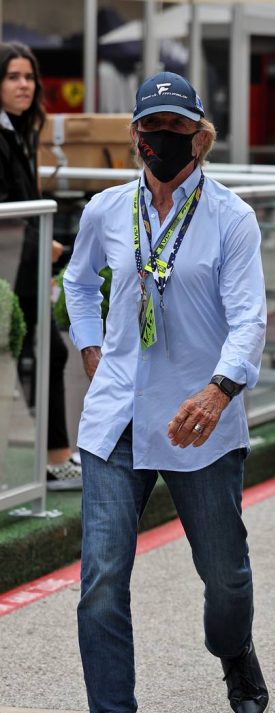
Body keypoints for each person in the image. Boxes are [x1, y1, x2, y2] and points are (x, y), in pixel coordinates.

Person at [63, 71, 269, 713]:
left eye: (179, 129)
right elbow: (75, 279)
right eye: (153, 128)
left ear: (201, 136)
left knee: (225, 576)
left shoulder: (230, 218)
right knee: (101, 575)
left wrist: (217, 392)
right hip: (114, 418)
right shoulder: (104, 210)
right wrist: (90, 343)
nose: (164, 141)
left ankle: (234, 652)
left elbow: (248, 320)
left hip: (198, 420)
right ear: (134, 136)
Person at [0, 41, 82, 490]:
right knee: (46, 352)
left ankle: (54, 458)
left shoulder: (20, 128)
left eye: (28, 77)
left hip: (22, 263)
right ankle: (53, 460)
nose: (24, 85)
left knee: (48, 351)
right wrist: (42, 244)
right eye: (13, 76)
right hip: (11, 266)